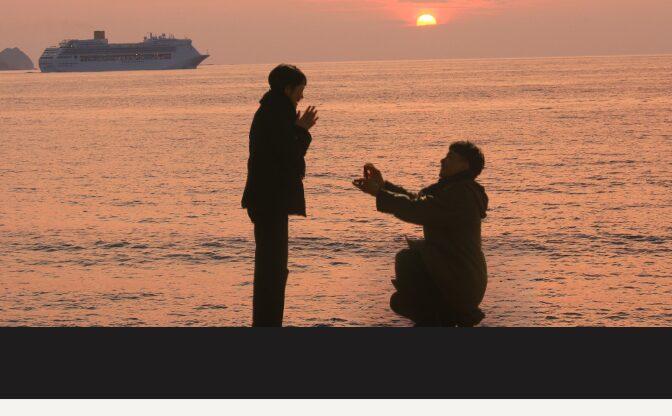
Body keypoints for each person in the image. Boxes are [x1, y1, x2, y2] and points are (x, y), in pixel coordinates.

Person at [353, 141, 489, 326]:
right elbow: (419, 201)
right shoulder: (455, 190)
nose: (443, 160)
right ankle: (443, 318)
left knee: (407, 261)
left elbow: (418, 209)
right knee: (404, 286)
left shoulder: (461, 194)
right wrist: (382, 187)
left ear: (464, 165)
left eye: (450, 157)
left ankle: (443, 319)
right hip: (461, 278)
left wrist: (380, 193)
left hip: (461, 282)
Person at [242, 64, 319, 327]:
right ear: (287, 89)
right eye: (299, 91)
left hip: (266, 200)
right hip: (270, 201)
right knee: (272, 269)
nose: (301, 97)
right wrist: (302, 130)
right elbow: (288, 156)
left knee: (272, 266)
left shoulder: (272, 111)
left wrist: (297, 129)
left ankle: (267, 321)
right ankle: (267, 323)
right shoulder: (276, 114)